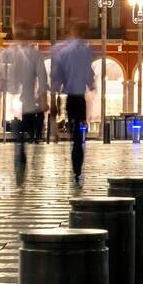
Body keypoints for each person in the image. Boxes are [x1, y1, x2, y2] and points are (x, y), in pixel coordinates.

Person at [49, 20, 96, 186]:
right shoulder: (86, 50)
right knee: (78, 134)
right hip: (80, 97)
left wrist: (54, 95)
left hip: (68, 96)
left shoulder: (63, 50)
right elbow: (89, 74)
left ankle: (74, 153)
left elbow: (57, 75)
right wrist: (91, 84)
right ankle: (78, 165)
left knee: (73, 129)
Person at [0, 37, 49, 183]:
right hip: (24, 105)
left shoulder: (27, 55)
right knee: (22, 138)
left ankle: (23, 160)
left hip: (29, 105)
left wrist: (42, 96)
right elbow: (42, 79)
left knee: (23, 137)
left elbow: (42, 79)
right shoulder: (13, 54)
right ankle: (23, 160)